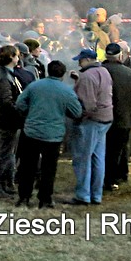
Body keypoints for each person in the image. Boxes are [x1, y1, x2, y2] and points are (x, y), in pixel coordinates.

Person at [14, 59, 83, 208]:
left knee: (28, 166)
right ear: (63, 75)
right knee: (49, 169)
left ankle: (24, 197)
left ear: (47, 71)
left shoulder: (34, 86)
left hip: (31, 132)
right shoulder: (66, 91)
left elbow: (19, 104)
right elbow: (77, 112)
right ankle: (45, 199)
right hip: (53, 135)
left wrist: (29, 113)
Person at [69, 48, 113, 204]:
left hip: (91, 121)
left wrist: (77, 117)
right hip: (106, 119)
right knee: (98, 158)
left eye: (80, 60)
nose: (79, 63)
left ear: (87, 60)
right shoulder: (104, 71)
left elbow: (88, 104)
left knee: (83, 158)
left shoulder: (87, 76)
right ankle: (96, 195)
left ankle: (83, 195)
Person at [0, 45, 26, 199]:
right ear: (11, 57)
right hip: (7, 120)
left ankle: (5, 183)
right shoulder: (3, 76)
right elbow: (6, 101)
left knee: (9, 153)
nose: (18, 58)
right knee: (4, 153)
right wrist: (19, 110)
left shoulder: (8, 73)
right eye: (16, 56)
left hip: (10, 119)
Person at [103, 42, 131, 193]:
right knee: (116, 151)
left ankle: (101, 178)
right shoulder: (130, 74)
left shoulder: (99, 71)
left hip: (101, 117)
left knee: (101, 150)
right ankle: (112, 179)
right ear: (120, 55)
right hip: (122, 118)